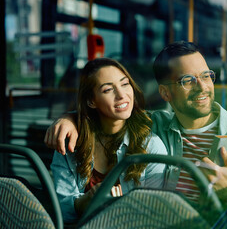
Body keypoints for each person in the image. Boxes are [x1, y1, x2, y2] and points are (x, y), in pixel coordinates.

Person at [46, 41, 227, 204]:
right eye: (188, 80)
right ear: (165, 94)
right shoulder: (150, 125)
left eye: (206, 75)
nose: (203, 87)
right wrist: (71, 119)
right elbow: (109, 115)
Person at [50, 58, 167, 223]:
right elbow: (62, 211)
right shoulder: (70, 144)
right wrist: (87, 201)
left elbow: (155, 214)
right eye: (108, 90)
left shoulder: (151, 145)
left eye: (125, 84)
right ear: (91, 101)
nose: (121, 95)